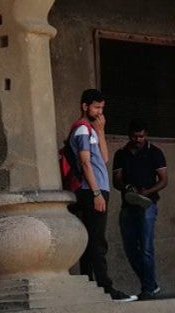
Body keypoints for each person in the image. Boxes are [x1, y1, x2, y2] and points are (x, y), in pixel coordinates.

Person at [67, 88, 135, 301]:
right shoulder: (81, 130)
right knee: (97, 241)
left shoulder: (92, 129)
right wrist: (96, 192)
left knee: (92, 240)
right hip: (91, 190)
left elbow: (104, 158)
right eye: (96, 107)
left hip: (98, 188)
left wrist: (102, 130)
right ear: (84, 106)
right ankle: (106, 288)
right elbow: (86, 162)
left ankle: (91, 286)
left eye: (102, 108)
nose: (99, 112)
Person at [112, 120, 168, 300]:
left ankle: (148, 289)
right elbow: (116, 180)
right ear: (129, 135)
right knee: (130, 248)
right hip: (128, 203)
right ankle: (151, 283)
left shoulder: (155, 152)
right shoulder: (121, 154)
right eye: (135, 136)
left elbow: (164, 180)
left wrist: (147, 191)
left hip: (147, 204)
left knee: (146, 247)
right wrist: (127, 187)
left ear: (146, 134)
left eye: (142, 136)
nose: (139, 139)